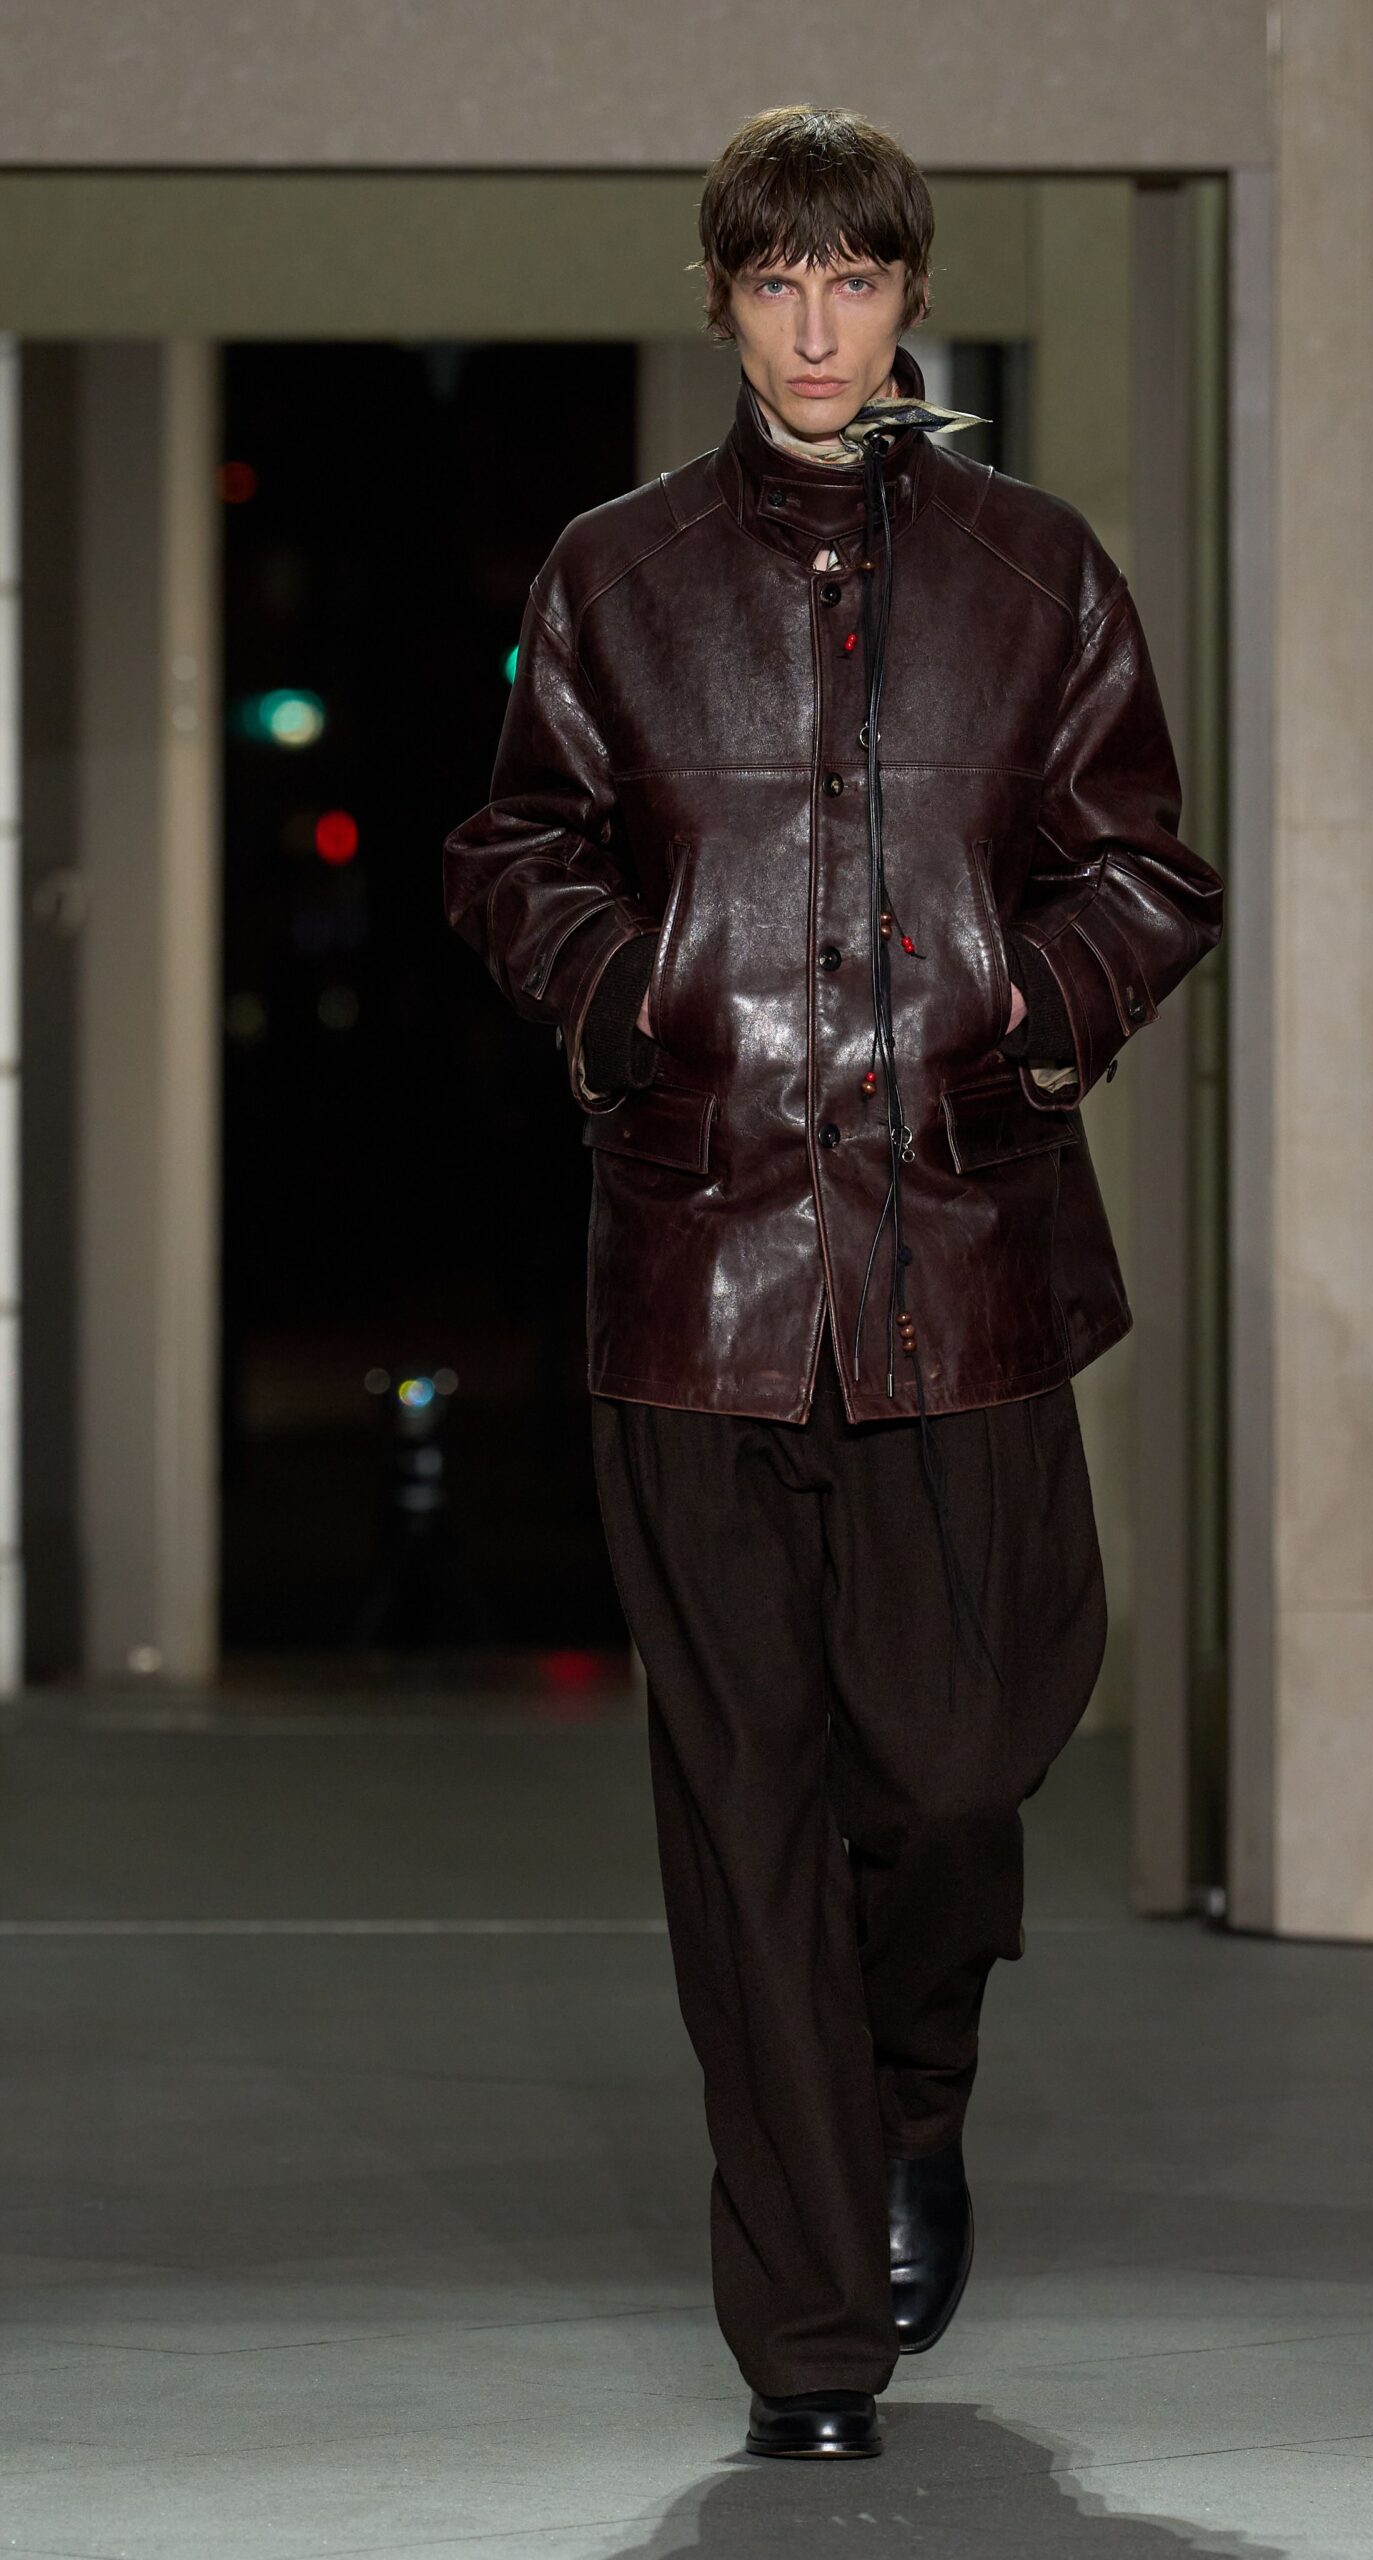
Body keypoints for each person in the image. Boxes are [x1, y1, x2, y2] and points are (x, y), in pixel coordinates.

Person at [444, 103, 1223, 2462]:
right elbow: (512, 842)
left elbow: (1144, 867)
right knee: (745, 1801)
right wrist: (628, 996)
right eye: (773, 279)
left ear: (905, 297)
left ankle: (907, 2093)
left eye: (850, 277)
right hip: (693, 1276)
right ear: (719, 298)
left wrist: (1016, 1009)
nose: (812, 322)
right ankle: (804, 2326)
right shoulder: (615, 571)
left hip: (959, 1255)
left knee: (960, 1753)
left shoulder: (1030, 569)